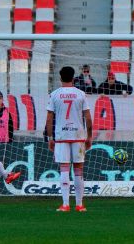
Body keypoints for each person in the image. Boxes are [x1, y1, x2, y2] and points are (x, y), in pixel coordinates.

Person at [46, 66, 93, 212]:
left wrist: (50, 138)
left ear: (60, 78)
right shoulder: (80, 94)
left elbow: (49, 118)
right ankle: (79, 205)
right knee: (78, 169)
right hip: (78, 136)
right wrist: (89, 136)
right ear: (73, 78)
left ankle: (65, 204)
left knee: (64, 169)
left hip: (61, 136)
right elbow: (88, 117)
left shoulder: (54, 94)